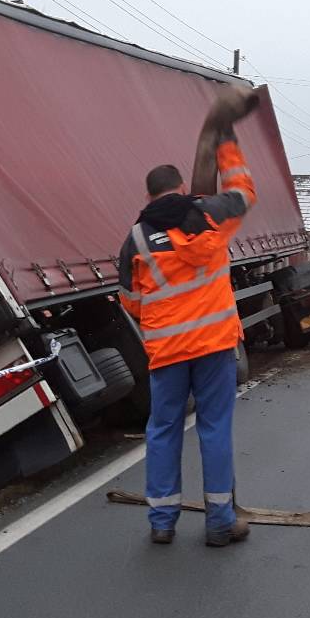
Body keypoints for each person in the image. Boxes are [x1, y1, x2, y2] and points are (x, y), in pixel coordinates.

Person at [118, 87, 257, 548]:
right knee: (214, 429)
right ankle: (219, 521)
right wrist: (225, 141)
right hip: (215, 346)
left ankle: (161, 523)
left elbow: (131, 304)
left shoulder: (135, 240)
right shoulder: (211, 213)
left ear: (148, 193)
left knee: (163, 431)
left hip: (168, 354)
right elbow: (242, 191)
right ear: (182, 188)